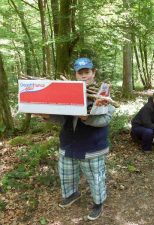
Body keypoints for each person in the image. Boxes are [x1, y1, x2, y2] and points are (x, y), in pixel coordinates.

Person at [41, 57, 115, 220]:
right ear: (75, 74)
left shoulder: (102, 92)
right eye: (80, 73)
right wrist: (46, 115)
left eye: (87, 72)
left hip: (93, 147)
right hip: (68, 144)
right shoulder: (67, 91)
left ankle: (98, 203)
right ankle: (72, 194)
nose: (83, 76)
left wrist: (86, 118)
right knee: (67, 174)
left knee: (95, 178)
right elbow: (62, 118)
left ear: (93, 72)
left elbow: (106, 119)